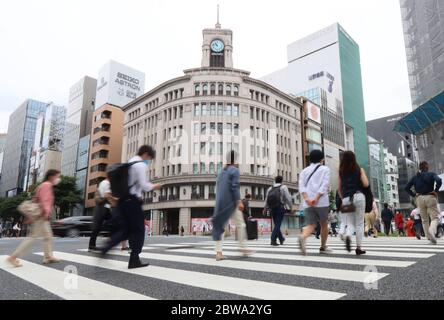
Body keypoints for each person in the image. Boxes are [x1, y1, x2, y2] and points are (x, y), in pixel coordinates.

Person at [100, 145, 161, 269]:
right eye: (150, 158)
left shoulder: (131, 161)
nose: (149, 161)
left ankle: (106, 248)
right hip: (132, 201)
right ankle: (134, 259)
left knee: (126, 230)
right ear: (146, 154)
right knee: (139, 230)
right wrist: (155, 186)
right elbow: (144, 185)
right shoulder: (140, 165)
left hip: (122, 200)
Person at [6, 169, 61, 267]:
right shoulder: (47, 185)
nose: (58, 179)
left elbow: (35, 200)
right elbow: (45, 201)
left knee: (48, 236)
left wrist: (30, 216)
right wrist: (46, 213)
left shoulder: (43, 185)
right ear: (51, 176)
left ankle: (48, 257)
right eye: (57, 176)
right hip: (42, 215)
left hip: (39, 214)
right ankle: (12, 257)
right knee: (33, 237)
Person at [212, 151, 252, 261]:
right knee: (240, 224)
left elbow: (219, 188)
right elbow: (235, 187)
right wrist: (239, 201)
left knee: (220, 228)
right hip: (231, 203)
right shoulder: (234, 170)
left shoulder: (221, 172)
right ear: (235, 160)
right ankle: (242, 247)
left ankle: (218, 253)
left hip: (220, 202)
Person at [297, 150, 331, 255]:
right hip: (322, 202)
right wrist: (316, 198)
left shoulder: (304, 171)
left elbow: (301, 187)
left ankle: (303, 237)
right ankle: (323, 247)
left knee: (311, 224)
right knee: (324, 224)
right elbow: (324, 185)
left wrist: (307, 199)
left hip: (308, 203)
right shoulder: (325, 169)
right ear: (322, 159)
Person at [338, 151, 369, 255]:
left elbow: (339, 189)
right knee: (360, 223)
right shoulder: (359, 169)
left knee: (350, 223)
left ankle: (348, 236)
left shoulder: (341, 171)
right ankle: (359, 248)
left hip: (346, 198)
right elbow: (365, 184)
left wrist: (344, 199)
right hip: (359, 196)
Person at [405, 161, 442, 244]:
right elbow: (439, 180)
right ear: (427, 167)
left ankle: (429, 237)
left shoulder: (415, 177)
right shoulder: (431, 174)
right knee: (434, 218)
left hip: (420, 198)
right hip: (430, 196)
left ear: (420, 168)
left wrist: (414, 194)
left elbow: (406, 188)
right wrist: (435, 190)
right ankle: (432, 230)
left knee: (424, 219)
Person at [265, 175, 294, 246]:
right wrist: (291, 207)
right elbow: (288, 198)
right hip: (279, 207)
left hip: (271, 208)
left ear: (275, 180)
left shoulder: (270, 188)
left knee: (276, 224)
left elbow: (266, 199)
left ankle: (281, 239)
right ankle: (273, 239)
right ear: (282, 180)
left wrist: (265, 208)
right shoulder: (283, 187)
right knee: (278, 224)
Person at [88, 176, 114, 251]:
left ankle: (109, 242)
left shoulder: (105, 185)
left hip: (105, 208)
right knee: (97, 228)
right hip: (101, 209)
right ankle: (92, 245)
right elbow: (102, 198)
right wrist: (109, 199)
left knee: (112, 224)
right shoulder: (103, 186)